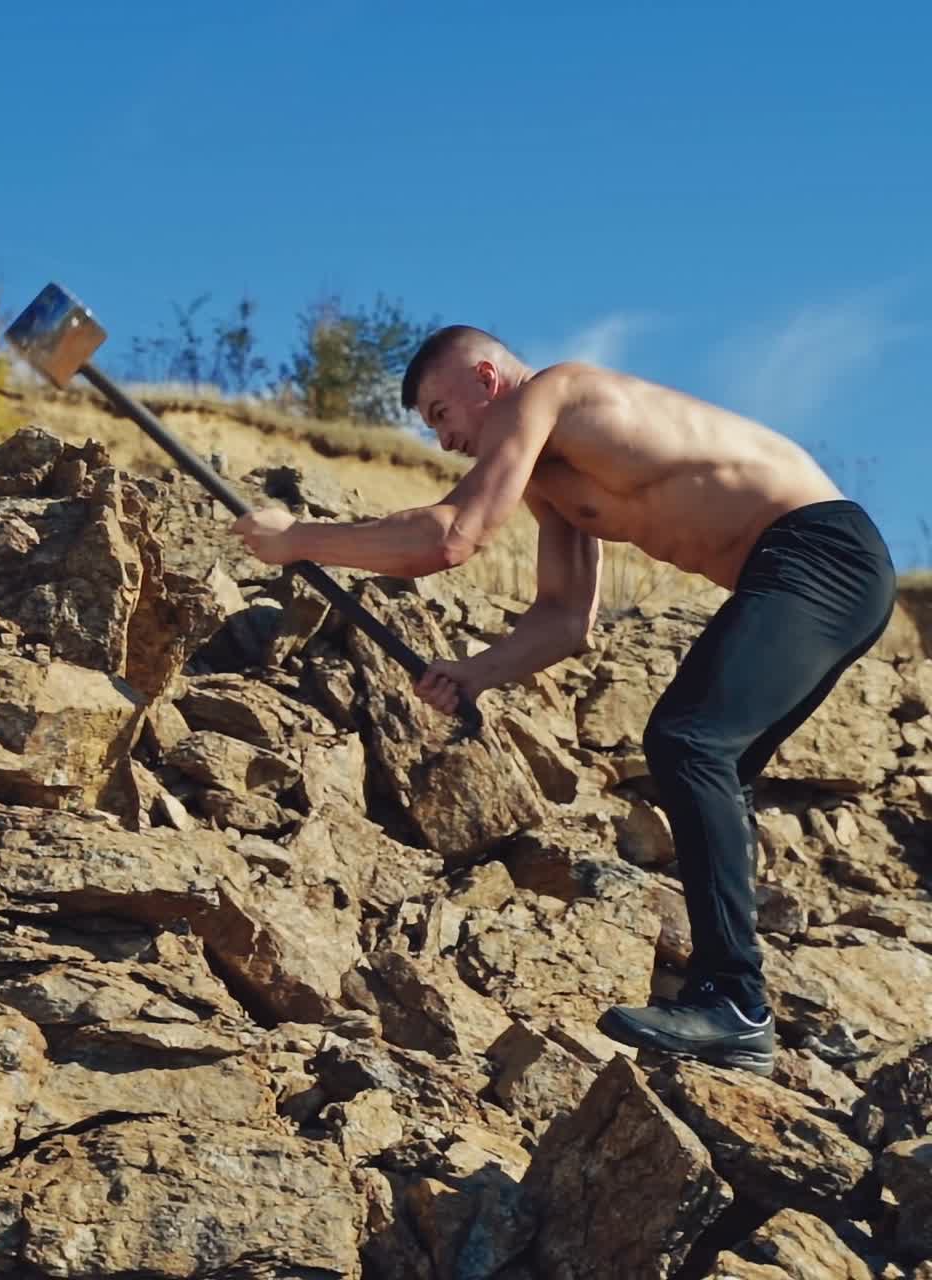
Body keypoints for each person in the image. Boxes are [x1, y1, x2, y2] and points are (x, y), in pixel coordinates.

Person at [233, 325, 896, 1076]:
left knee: (689, 742)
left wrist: (298, 539)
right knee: (715, 763)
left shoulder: (548, 395)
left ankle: (733, 1002)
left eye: (442, 414)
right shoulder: (554, 477)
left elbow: (452, 537)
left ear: (486, 379)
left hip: (818, 553)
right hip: (815, 573)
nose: (446, 441)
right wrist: (477, 670)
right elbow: (563, 619)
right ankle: (733, 1012)